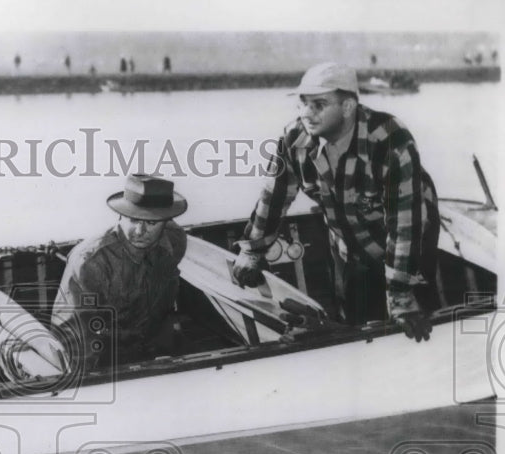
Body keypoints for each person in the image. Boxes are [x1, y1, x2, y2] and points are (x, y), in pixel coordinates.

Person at [232, 62, 439, 341]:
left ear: (348, 107)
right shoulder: (294, 138)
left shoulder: (390, 140)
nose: (306, 113)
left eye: (319, 105)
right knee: (356, 324)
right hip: (348, 243)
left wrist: (401, 295)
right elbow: (274, 196)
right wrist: (252, 251)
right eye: (303, 103)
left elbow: (405, 225)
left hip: (411, 239)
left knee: (415, 322)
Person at [52, 174, 187, 369]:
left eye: (151, 223)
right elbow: (74, 332)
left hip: (155, 346)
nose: (140, 231)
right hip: (107, 356)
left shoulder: (175, 241)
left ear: (166, 222)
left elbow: (164, 304)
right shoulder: (91, 261)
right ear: (120, 215)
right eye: (133, 220)